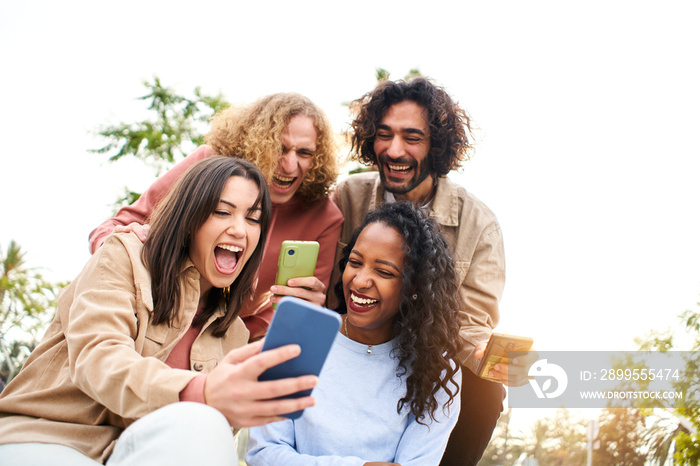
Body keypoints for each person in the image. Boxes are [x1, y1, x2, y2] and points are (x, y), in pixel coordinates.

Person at [0, 157, 319, 465]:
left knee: (206, 425)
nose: (239, 229)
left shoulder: (235, 333)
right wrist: (199, 390)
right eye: (223, 212)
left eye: (252, 218)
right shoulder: (124, 255)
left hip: (135, 453)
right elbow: (97, 359)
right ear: (189, 217)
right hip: (48, 438)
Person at [330, 78, 532, 465]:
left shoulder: (479, 225)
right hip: (353, 347)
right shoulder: (347, 198)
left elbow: (471, 324)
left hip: (420, 358)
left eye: (412, 138)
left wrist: (486, 355)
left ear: (436, 147)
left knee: (485, 391)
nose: (394, 150)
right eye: (384, 135)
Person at [89, 93, 343, 340]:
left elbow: (295, 312)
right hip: (151, 317)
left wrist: (304, 311)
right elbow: (113, 227)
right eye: (280, 148)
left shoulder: (326, 217)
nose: (289, 165)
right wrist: (118, 254)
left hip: (227, 342)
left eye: (304, 153)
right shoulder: (208, 166)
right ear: (257, 142)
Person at [247, 201, 463, 465]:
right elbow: (263, 453)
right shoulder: (296, 340)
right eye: (355, 262)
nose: (359, 281)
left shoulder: (435, 368)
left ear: (414, 287)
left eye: (384, 272)